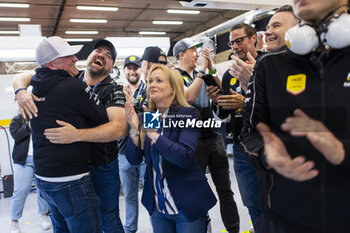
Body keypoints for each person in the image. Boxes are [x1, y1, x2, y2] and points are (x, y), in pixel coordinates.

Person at [241, 0, 350, 232]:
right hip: (283, 220)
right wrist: (267, 155)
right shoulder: (269, 66)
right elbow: (249, 135)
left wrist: (342, 152)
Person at [13, 39, 127, 233]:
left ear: (111, 66)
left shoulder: (114, 89)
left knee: (108, 219)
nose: (101, 55)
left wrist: (76, 135)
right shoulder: (71, 76)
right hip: (75, 171)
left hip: (102, 167)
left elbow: (118, 129)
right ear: (89, 56)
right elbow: (27, 74)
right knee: (66, 222)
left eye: (108, 55)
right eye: (98, 51)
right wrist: (20, 90)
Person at [27, 36, 108, 232]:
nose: (74, 58)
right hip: (72, 180)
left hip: (45, 179)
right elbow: (102, 118)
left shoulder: (33, 86)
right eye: (66, 56)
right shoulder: (73, 86)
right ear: (52, 64)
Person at [125, 64, 217, 233]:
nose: (152, 84)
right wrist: (133, 129)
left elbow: (184, 157)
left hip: (186, 204)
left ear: (173, 89)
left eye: (159, 80)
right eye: (150, 80)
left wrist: (153, 135)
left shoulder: (187, 114)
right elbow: (134, 159)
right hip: (158, 207)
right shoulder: (150, 116)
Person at [173, 37, 240, 233]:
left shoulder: (202, 73)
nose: (197, 54)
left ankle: (233, 229)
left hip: (213, 137)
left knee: (225, 191)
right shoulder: (174, 75)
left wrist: (210, 68)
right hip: (191, 142)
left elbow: (222, 93)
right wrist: (202, 71)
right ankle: (203, 228)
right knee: (197, 191)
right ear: (181, 54)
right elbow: (188, 97)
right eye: (193, 50)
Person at [207, 23, 264, 229]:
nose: (235, 46)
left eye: (239, 40)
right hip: (241, 148)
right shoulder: (230, 74)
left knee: (274, 200)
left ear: (253, 38)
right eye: (232, 43)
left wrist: (246, 101)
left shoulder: (268, 63)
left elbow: (278, 104)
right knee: (251, 202)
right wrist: (217, 101)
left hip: (268, 145)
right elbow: (224, 114)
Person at [9, 113, 52, 233]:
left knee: (42, 189)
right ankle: (14, 221)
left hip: (40, 159)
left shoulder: (42, 117)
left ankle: (44, 215)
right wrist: (29, 126)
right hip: (23, 160)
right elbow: (16, 135)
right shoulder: (17, 119)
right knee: (21, 189)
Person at [118, 55, 147, 233]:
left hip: (145, 151)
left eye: (135, 68)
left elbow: (153, 121)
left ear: (140, 70)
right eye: (129, 68)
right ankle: (130, 229)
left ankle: (159, 226)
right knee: (129, 195)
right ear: (124, 71)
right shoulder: (117, 92)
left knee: (152, 193)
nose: (132, 71)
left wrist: (132, 103)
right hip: (123, 153)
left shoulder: (149, 90)